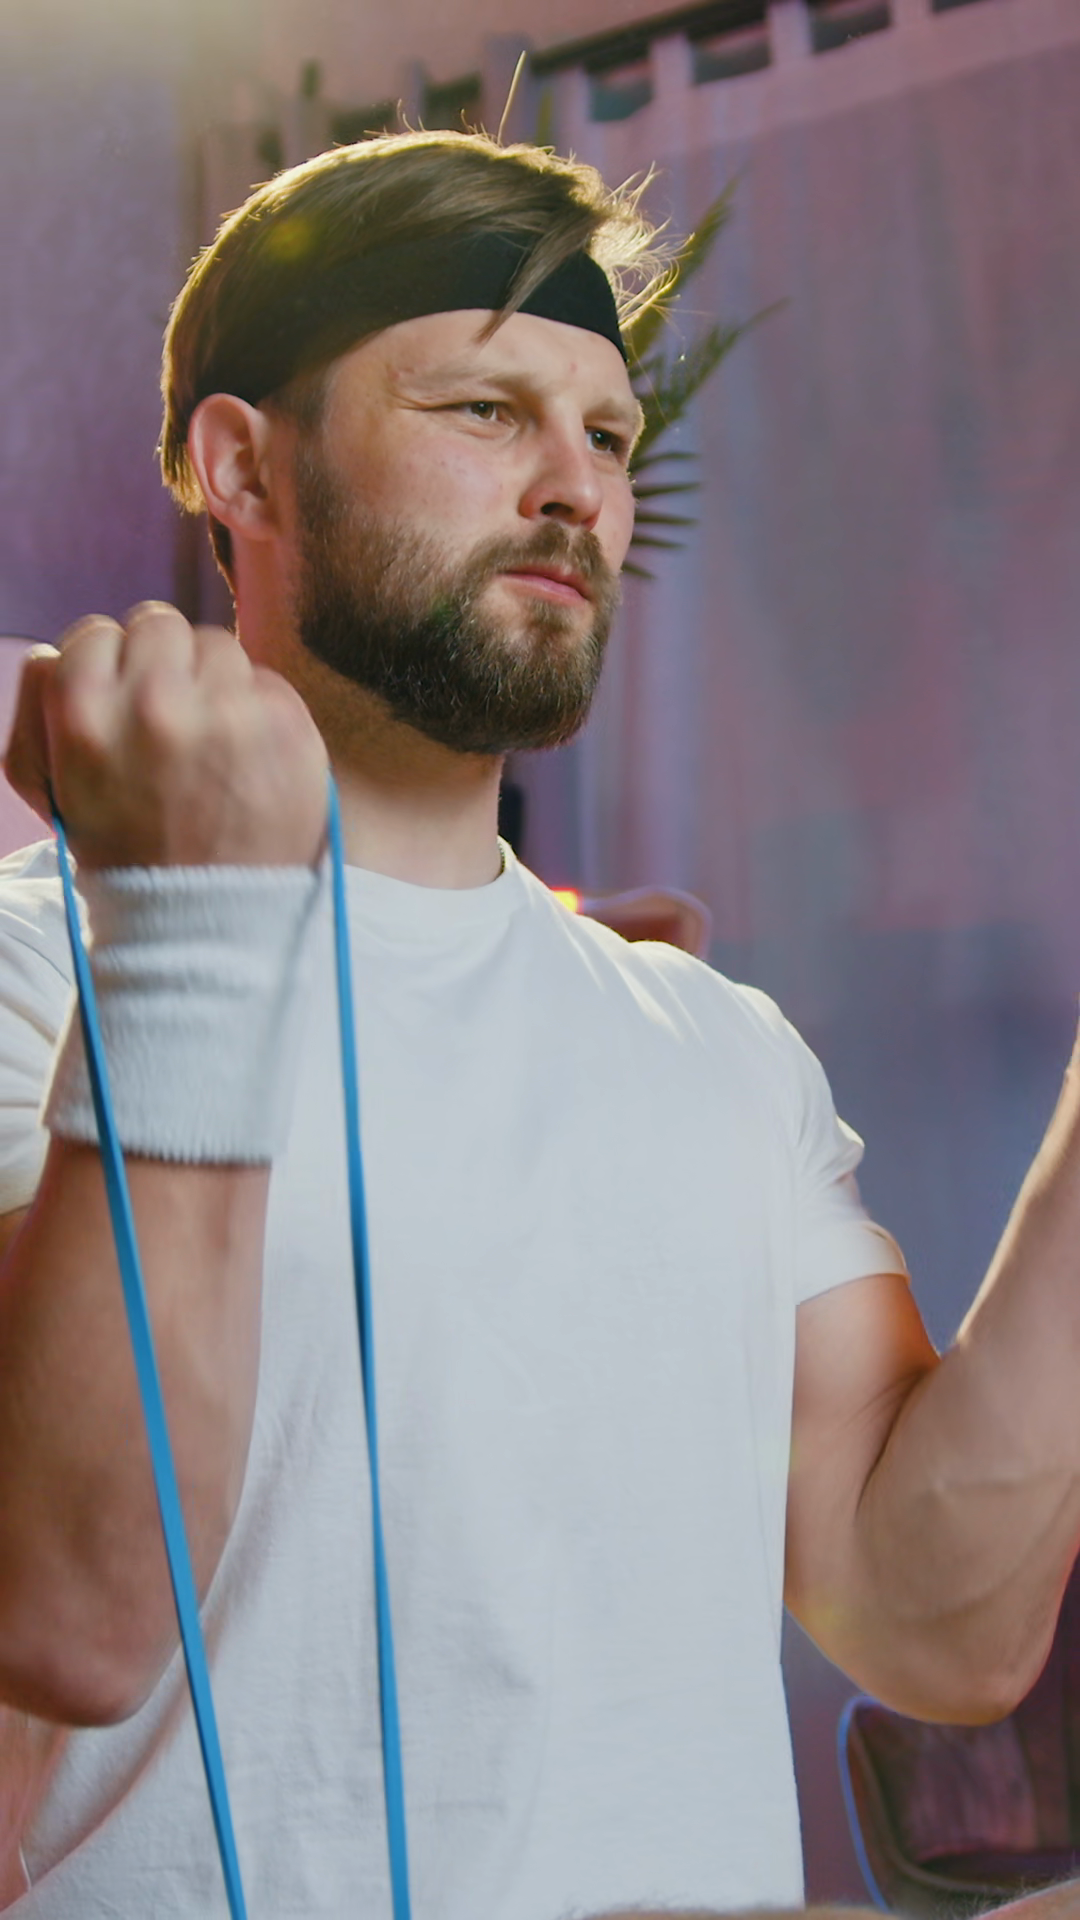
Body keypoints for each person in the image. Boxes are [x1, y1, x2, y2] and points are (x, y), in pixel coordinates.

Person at [0, 127, 1079, 1919]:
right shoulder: (41, 972)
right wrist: (185, 923)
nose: (577, 486)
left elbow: (932, 1621)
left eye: (609, 436)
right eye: (486, 411)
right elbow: (68, 1611)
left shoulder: (720, 1049)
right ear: (242, 467)